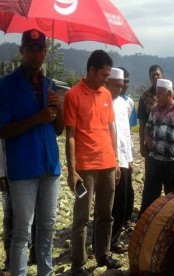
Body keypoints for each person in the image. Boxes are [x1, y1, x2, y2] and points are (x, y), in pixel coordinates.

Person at [0, 29, 63, 275]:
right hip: (24, 169)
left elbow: (58, 129)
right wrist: (37, 117)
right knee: (22, 231)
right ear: (22, 51)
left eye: (41, 50)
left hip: (51, 167)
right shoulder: (6, 86)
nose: (37, 54)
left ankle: (45, 272)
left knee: (47, 228)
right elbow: (2, 130)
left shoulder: (50, 85)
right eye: (31, 49)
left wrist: (60, 108)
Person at [63, 50, 121, 275]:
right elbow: (70, 134)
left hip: (107, 164)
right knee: (82, 217)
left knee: (106, 214)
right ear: (91, 70)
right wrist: (72, 170)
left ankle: (102, 255)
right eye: (103, 75)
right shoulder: (73, 95)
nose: (106, 79)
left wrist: (115, 160)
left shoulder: (106, 94)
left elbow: (110, 128)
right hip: (85, 168)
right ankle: (78, 263)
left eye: (107, 75)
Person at [140, 79, 174, 215]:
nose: (157, 97)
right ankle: (145, 225)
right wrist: (147, 138)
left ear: (170, 93)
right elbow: (147, 127)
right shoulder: (154, 110)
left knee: (173, 198)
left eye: (160, 93)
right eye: (156, 93)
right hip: (155, 161)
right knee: (149, 196)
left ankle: (172, 226)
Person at [105, 68, 134, 254]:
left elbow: (125, 133)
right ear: (107, 83)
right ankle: (106, 243)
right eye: (116, 86)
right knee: (110, 203)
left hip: (124, 159)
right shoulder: (103, 102)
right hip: (109, 160)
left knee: (122, 202)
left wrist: (130, 159)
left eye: (122, 86)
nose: (119, 90)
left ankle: (113, 239)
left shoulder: (124, 104)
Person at [117, 67, 136, 227]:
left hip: (126, 148)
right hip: (113, 152)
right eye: (123, 82)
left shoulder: (128, 102)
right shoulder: (108, 100)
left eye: (127, 82)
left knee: (127, 187)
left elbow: (128, 129)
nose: (125, 85)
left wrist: (130, 155)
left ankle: (126, 218)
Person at [137, 64, 164, 160]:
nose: (155, 77)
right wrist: (142, 145)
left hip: (169, 145)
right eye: (152, 76)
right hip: (151, 145)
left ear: (163, 76)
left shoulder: (171, 95)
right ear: (150, 78)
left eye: (157, 74)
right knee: (152, 173)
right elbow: (142, 123)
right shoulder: (145, 97)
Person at [0, 139, 11, 272]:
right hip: (8, 173)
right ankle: (9, 258)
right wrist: (1, 173)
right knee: (9, 216)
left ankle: (34, 250)